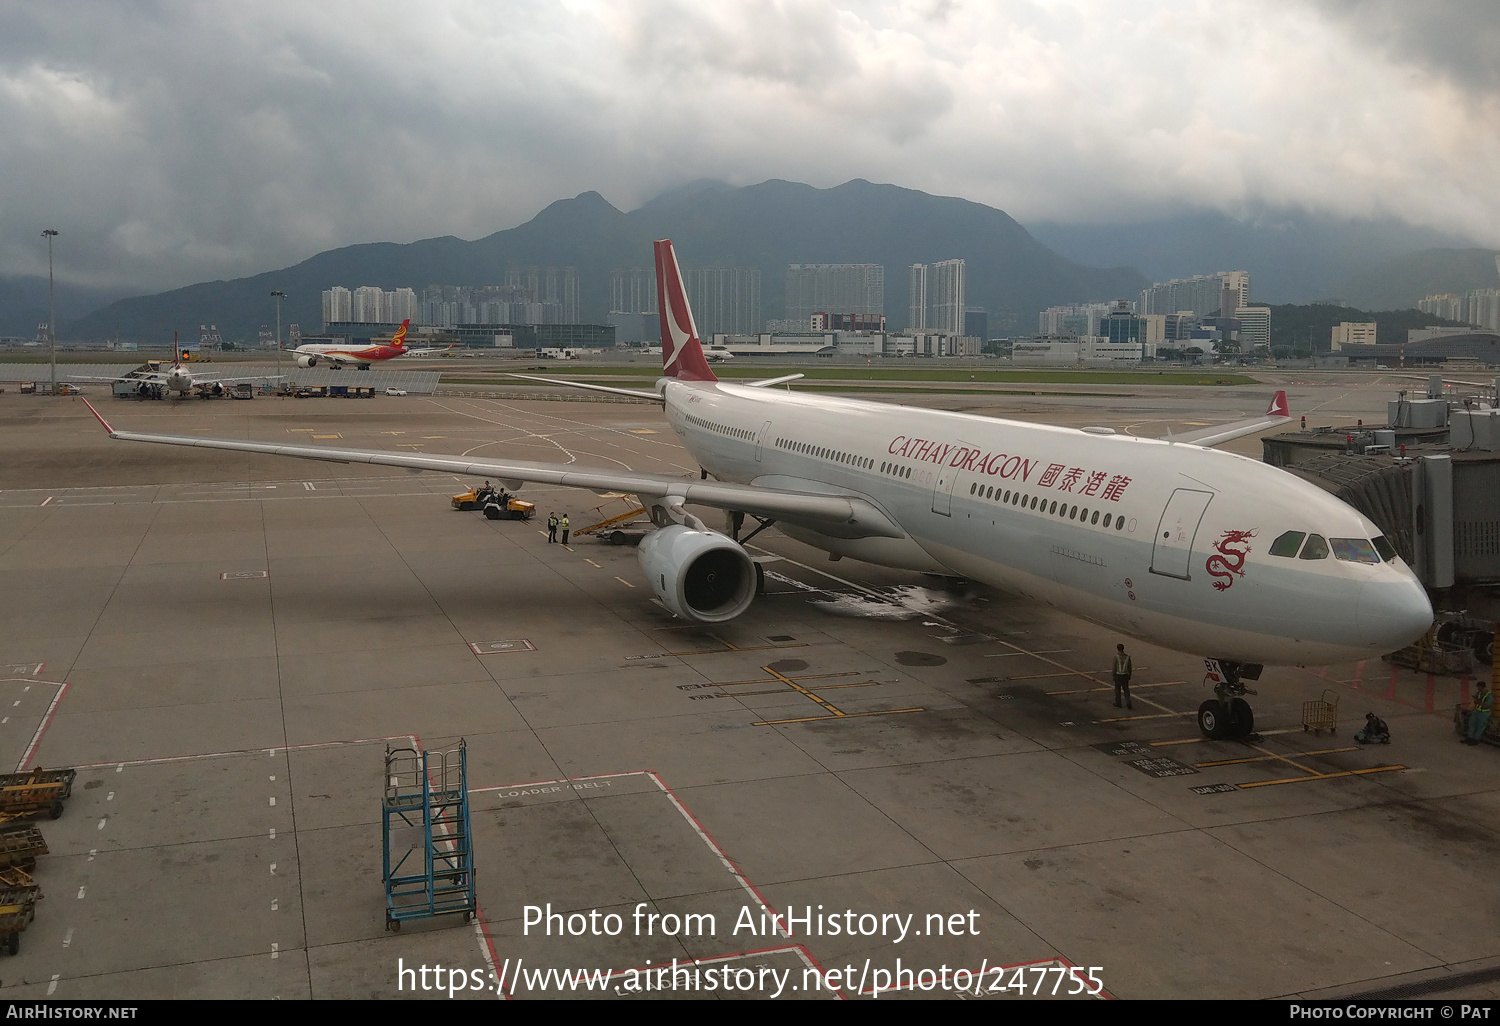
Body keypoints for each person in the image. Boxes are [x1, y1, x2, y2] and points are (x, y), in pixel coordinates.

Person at [1464, 680, 1492, 746]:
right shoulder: (1479, 693)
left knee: (1480, 727)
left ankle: (1476, 740)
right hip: (1477, 711)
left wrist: (1478, 701)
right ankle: (1470, 738)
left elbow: (1487, 705)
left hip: (1484, 714)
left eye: (1479, 688)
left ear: (1483, 687)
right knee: (1472, 724)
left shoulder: (1489, 696)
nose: (1478, 690)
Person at [1112, 643, 1133, 710]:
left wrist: (1113, 675)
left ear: (1117, 649)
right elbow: (1130, 667)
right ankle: (1128, 702)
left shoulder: (1116, 657)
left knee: (1117, 690)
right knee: (1126, 689)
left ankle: (1118, 703)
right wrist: (1129, 675)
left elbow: (1114, 667)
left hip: (1118, 675)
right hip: (1125, 675)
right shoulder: (1127, 657)